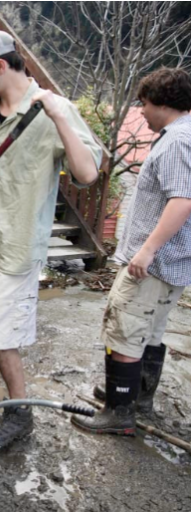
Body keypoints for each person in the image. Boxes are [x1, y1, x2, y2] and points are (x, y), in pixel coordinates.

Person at [0, 30, 102, 447]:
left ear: (1, 65)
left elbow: (87, 174)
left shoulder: (54, 109)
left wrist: (61, 118)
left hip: (16, 246)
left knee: (0, 334)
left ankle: (20, 414)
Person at [72, 68, 191, 436]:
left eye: (143, 103)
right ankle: (136, 397)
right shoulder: (185, 135)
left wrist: (146, 251)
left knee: (124, 328)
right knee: (150, 331)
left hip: (153, 263)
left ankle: (118, 410)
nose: (140, 111)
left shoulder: (176, 141)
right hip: (173, 263)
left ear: (162, 102)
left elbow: (182, 200)